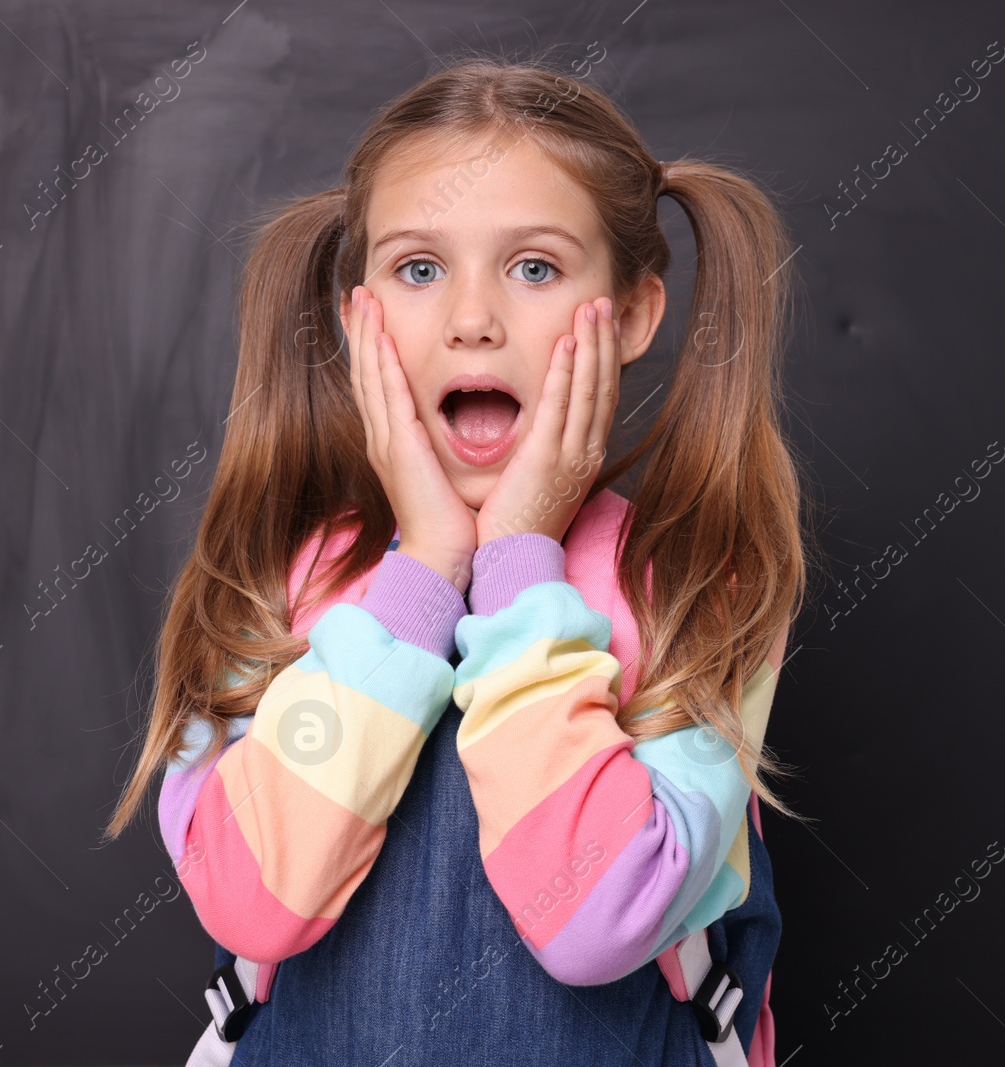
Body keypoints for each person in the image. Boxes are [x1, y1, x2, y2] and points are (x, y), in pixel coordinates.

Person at [102, 53, 815, 1066]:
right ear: (360, 322)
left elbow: (592, 924)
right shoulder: (272, 587)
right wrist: (425, 571)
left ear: (634, 317)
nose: (471, 318)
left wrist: (522, 560)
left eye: (533, 268)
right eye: (418, 269)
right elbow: (255, 905)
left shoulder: (698, 591)